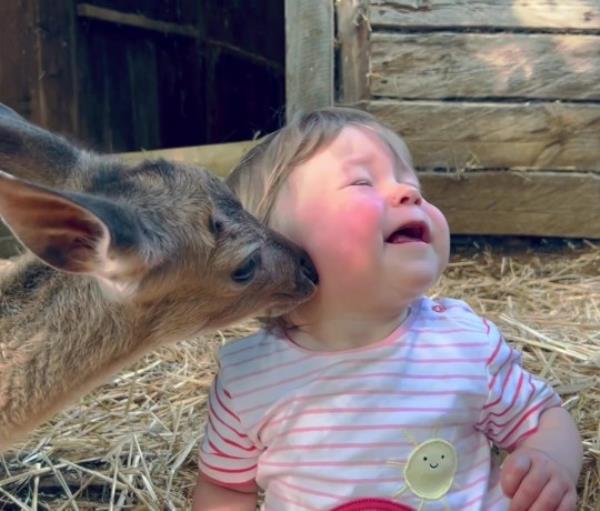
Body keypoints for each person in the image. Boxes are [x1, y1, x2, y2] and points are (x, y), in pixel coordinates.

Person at [191, 108, 582, 511]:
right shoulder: (249, 380)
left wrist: (552, 462)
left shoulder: (463, 344)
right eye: (363, 181)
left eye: (411, 184)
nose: (409, 193)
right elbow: (225, 489)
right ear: (272, 251)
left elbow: (543, 419)